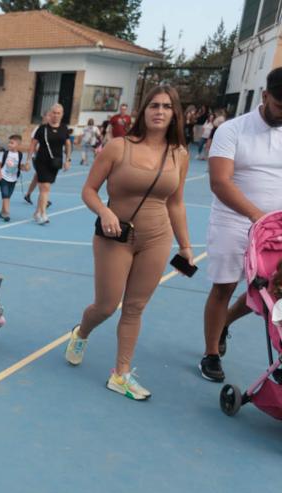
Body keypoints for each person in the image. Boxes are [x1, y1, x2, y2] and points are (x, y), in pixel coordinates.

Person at [64, 85, 194, 400]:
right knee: (107, 305)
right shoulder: (118, 147)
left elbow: (176, 203)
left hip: (157, 238)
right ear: (143, 110)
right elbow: (89, 190)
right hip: (115, 236)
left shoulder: (179, 155)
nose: (159, 111)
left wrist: (185, 246)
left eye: (166, 106)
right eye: (153, 105)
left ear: (174, 113)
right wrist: (104, 210)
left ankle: (120, 374)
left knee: (135, 307)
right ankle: (82, 332)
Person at [199, 68, 282, 382]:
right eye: (279, 106)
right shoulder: (233, 130)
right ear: (264, 96)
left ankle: (225, 323)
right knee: (224, 286)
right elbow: (220, 182)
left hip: (275, 226)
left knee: (270, 291)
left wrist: (270, 222)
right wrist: (257, 216)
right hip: (234, 220)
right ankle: (210, 354)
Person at [29, 103, 72, 225]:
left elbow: (68, 144)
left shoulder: (64, 128)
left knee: (45, 188)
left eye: (58, 113)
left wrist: (68, 160)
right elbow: (33, 144)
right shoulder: (42, 129)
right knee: (45, 187)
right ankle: (43, 214)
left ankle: (37, 212)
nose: (56, 115)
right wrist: (28, 160)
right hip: (42, 161)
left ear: (62, 115)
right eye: (54, 112)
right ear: (50, 114)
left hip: (55, 162)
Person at [0, 134, 25, 221]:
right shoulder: (5, 153)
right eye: (9, 142)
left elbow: (21, 166)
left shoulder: (20, 155)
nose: (9, 144)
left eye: (12, 143)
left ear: (18, 145)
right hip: (4, 177)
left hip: (13, 178)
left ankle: (2, 212)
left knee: (8, 195)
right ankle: (6, 213)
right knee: (5, 194)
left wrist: (26, 167)